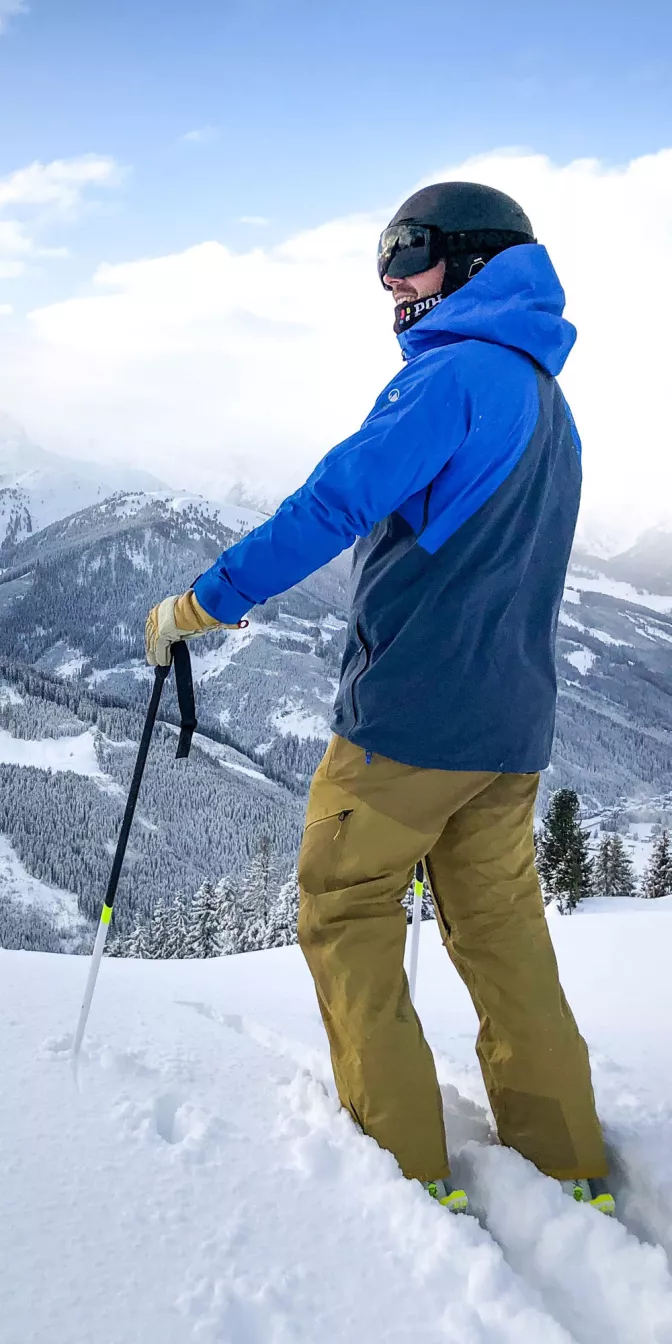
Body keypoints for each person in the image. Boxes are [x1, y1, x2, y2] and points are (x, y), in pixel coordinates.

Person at [146, 181, 613, 1216]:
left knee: (346, 908)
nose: (391, 283)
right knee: (503, 936)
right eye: (383, 261)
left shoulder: (450, 379)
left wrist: (199, 603)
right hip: (511, 729)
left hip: (408, 725)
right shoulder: (547, 399)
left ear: (478, 262)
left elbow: (333, 501)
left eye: (409, 254)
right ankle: (568, 1161)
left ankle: (404, 1175)